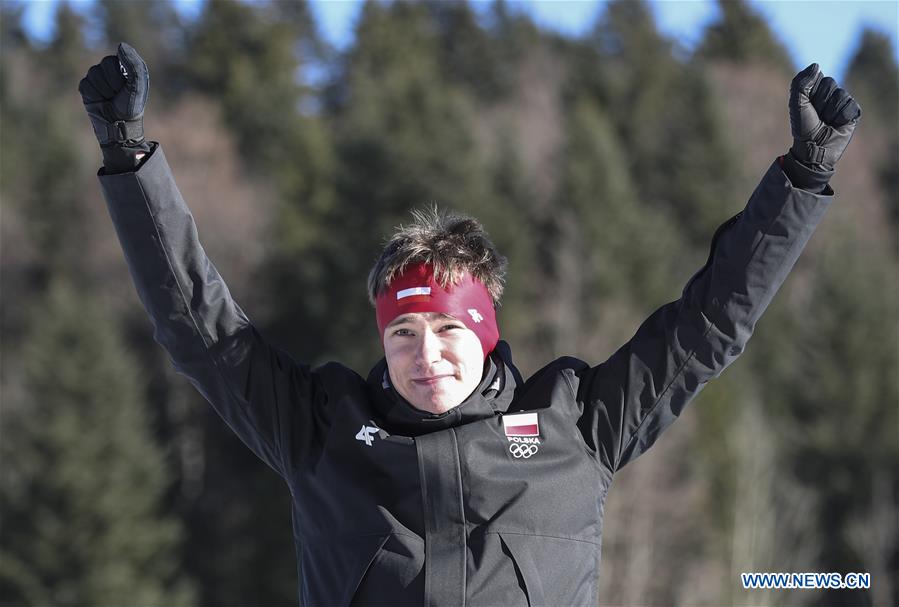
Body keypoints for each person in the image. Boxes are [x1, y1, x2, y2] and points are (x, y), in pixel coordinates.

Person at [80, 43, 860, 606]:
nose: (427, 354)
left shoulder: (575, 426)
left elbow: (707, 327)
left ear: (485, 332)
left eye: (449, 330)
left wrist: (801, 177)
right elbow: (200, 328)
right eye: (403, 333)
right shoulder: (321, 432)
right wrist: (128, 159)